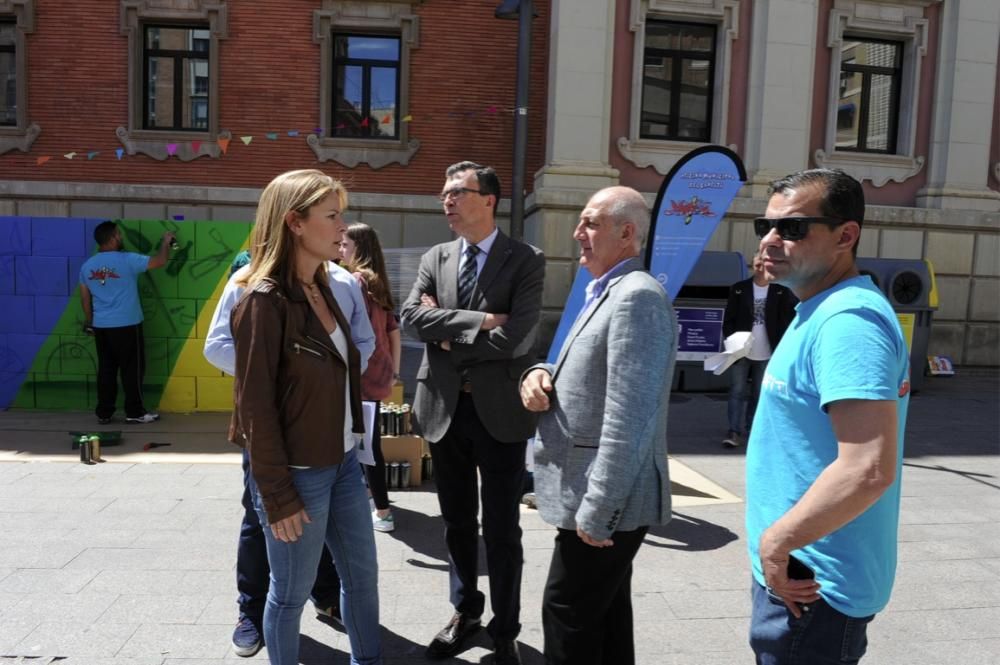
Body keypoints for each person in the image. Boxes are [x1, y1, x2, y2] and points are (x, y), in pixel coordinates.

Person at [746, 168, 910, 664]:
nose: (772, 239)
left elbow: (867, 468)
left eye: (793, 228)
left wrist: (776, 543)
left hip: (813, 585)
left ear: (846, 235)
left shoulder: (847, 322)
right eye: (766, 226)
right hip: (804, 573)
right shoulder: (817, 307)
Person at [227, 169, 382, 665]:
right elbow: (254, 406)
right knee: (289, 595)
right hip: (296, 473)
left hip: (341, 463)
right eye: (332, 216)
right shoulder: (262, 299)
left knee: (362, 580)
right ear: (295, 222)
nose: (344, 226)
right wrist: (276, 494)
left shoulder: (326, 285)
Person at [519, 186, 677, 665]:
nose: (577, 233)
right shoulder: (607, 290)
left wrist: (599, 509)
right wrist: (538, 373)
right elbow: (583, 369)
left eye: (590, 223)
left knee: (567, 614)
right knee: (605, 618)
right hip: (593, 494)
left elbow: (630, 415)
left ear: (626, 233)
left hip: (605, 500)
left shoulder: (636, 299)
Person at [400, 161, 545, 665]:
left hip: (500, 415)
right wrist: (480, 321)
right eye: (443, 193)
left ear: (488, 200)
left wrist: (447, 335)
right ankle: (466, 612)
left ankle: (505, 628)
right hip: (443, 409)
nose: (447, 201)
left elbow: (517, 338)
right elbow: (411, 319)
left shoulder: (526, 259)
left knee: (502, 528)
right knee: (457, 522)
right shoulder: (436, 255)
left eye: (457, 192)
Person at [78, 220, 175, 425]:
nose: (121, 237)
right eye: (118, 234)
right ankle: (135, 412)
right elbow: (159, 261)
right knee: (132, 370)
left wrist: (90, 322)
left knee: (106, 369)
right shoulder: (127, 260)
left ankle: (104, 412)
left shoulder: (87, 266)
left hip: (102, 326)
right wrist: (166, 242)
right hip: (127, 325)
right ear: (112, 238)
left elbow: (85, 298)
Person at [340, 223, 402, 532]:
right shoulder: (378, 282)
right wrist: (394, 372)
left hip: (361, 373)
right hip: (379, 371)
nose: (340, 251)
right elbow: (394, 332)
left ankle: (383, 510)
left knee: (366, 443)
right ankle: (371, 494)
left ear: (359, 248)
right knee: (367, 440)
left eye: (345, 245)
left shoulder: (355, 281)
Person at [721, 251, 797, 447]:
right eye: (757, 264)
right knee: (736, 391)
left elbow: (788, 320)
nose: (760, 268)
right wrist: (732, 342)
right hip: (742, 351)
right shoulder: (739, 289)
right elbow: (728, 320)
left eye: (763, 264)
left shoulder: (781, 291)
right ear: (752, 266)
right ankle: (734, 431)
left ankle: (753, 428)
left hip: (767, 351)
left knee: (759, 393)